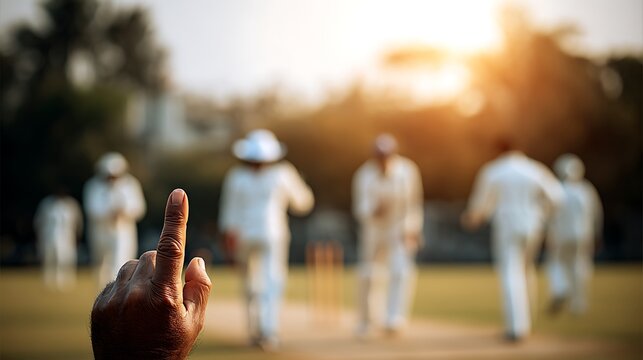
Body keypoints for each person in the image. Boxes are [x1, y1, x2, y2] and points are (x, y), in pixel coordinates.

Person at [219, 129, 314, 350]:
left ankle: (261, 330)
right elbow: (303, 203)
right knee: (269, 282)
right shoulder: (283, 173)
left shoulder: (237, 176)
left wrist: (229, 242)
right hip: (271, 234)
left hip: (251, 236)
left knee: (258, 283)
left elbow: (228, 215)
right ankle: (266, 331)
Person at [91, 189, 212, 360]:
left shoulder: (128, 184)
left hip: (123, 229)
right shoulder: (96, 187)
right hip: (104, 230)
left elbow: (136, 207)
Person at [461, 140, 562, 342]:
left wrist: (473, 217)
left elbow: (481, 204)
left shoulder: (494, 170)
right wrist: (542, 214)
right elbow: (557, 197)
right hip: (533, 225)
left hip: (507, 225)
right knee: (526, 271)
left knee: (510, 273)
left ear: (498, 151)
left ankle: (516, 328)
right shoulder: (534, 169)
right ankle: (527, 323)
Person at [352, 134, 424, 337]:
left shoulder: (408, 171)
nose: (382, 161)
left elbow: (414, 203)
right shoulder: (363, 175)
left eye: (386, 156)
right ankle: (366, 320)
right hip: (373, 229)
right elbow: (359, 207)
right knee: (368, 274)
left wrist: (413, 229)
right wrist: (373, 210)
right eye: (379, 156)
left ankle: (394, 319)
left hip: (399, 227)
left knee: (401, 271)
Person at [546, 154, 603, 315]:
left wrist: (548, 234)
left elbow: (550, 214)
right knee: (580, 267)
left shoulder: (556, 189)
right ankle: (578, 305)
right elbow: (596, 214)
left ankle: (560, 288)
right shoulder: (586, 190)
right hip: (583, 235)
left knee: (556, 264)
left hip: (561, 235)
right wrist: (597, 233)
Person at [84, 152, 146, 288]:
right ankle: (103, 291)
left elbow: (139, 208)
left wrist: (124, 212)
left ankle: (118, 289)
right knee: (100, 263)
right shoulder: (93, 186)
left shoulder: (130, 185)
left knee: (121, 260)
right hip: (100, 230)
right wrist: (109, 213)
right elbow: (92, 209)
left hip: (123, 229)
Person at [33, 187, 83, 290]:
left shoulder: (71, 204)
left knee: (66, 258)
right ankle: (49, 281)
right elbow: (39, 222)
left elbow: (78, 222)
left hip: (67, 236)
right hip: (49, 236)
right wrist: (39, 237)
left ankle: (66, 281)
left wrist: (77, 235)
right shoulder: (47, 204)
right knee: (49, 258)